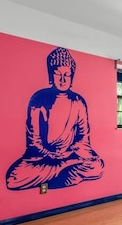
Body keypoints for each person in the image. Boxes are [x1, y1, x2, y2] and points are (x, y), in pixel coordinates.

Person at [6, 47, 105, 190]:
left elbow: (82, 141)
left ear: (72, 77)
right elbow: (34, 143)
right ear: (51, 75)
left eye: (67, 75)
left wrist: (71, 153)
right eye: (58, 74)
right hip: (44, 160)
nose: (63, 79)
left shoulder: (78, 102)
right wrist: (54, 157)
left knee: (97, 166)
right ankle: (65, 175)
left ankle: (54, 179)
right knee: (14, 178)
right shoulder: (38, 99)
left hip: (70, 156)